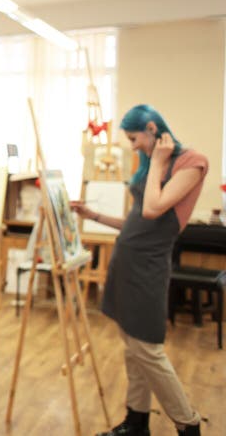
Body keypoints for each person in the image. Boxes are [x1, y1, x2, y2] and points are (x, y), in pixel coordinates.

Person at [71, 104, 208, 436]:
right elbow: (133, 222)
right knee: (132, 348)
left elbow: (152, 209)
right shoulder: (150, 166)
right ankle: (137, 420)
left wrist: (158, 162)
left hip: (148, 266)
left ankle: (188, 423)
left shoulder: (191, 162)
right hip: (128, 261)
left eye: (134, 138)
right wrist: (94, 216)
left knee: (147, 349)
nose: (132, 146)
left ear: (151, 128)